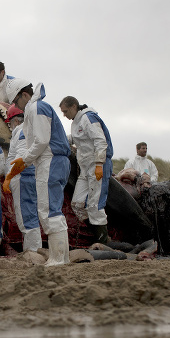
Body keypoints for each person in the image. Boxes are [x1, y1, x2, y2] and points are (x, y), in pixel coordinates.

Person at [9, 82, 73, 266]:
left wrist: (25, 159)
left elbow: (42, 140)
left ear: (24, 95)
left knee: (48, 210)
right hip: (53, 160)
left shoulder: (36, 107)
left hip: (50, 160)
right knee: (51, 208)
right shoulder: (39, 107)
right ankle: (62, 256)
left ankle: (58, 258)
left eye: (15, 100)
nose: (15, 106)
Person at [59, 96, 114, 244]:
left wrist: (99, 164)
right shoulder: (76, 122)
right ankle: (97, 232)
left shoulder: (89, 118)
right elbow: (77, 138)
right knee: (77, 204)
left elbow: (100, 140)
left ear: (73, 107)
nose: (64, 115)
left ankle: (102, 241)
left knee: (95, 205)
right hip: (85, 168)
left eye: (65, 111)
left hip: (97, 165)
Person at [3, 104, 41, 253]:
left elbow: (20, 157)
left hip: (23, 177)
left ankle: (33, 253)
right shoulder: (25, 130)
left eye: (10, 123)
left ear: (16, 121)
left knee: (27, 218)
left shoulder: (21, 131)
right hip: (25, 176)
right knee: (28, 216)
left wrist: (9, 176)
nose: (10, 126)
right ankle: (32, 250)